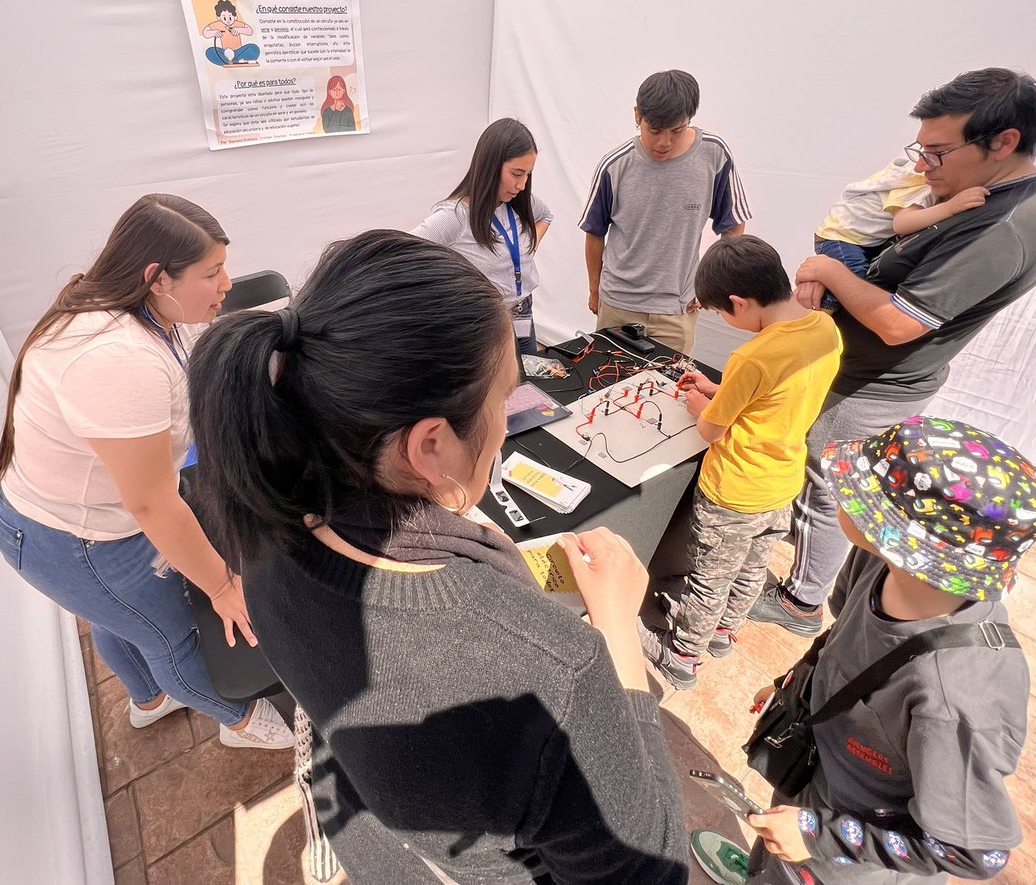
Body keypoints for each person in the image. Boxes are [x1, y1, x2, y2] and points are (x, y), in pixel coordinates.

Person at [186, 230, 690, 883]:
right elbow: (651, 869)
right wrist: (617, 626)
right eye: (503, 399)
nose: (507, 422)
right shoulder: (556, 673)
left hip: (372, 843)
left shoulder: (259, 522)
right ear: (429, 447)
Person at [750, 67, 1036, 637]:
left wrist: (826, 268)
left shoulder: (1009, 228)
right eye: (920, 151)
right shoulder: (990, 197)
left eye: (939, 153)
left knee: (828, 490)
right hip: (871, 370)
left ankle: (802, 603)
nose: (924, 167)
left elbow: (899, 323)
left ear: (1004, 142)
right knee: (848, 491)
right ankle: (833, 592)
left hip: (874, 378)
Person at [0, 194, 294, 750]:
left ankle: (149, 700)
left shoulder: (143, 309)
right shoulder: (117, 362)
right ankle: (243, 724)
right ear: (157, 278)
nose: (227, 285)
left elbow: (206, 364)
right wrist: (222, 584)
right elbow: (153, 504)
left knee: (117, 614)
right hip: (74, 539)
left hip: (53, 519)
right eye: (213, 272)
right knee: (174, 637)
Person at [695, 416, 1036, 883]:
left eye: (864, 493)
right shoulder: (879, 560)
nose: (841, 489)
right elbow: (846, 632)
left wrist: (818, 834)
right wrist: (800, 682)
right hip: (815, 776)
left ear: (909, 543)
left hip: (852, 856)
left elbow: (976, 854)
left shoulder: (955, 697)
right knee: (773, 856)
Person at [637, 236, 841, 690]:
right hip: (783, 481)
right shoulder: (825, 330)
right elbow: (773, 400)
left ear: (739, 303)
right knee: (752, 566)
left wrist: (699, 404)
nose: (726, 323)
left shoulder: (752, 356)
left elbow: (713, 430)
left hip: (735, 488)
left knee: (710, 577)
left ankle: (682, 656)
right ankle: (725, 634)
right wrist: (717, 389)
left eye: (721, 314)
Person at [580, 70, 750, 354]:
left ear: (689, 120)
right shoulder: (615, 165)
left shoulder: (714, 155)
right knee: (608, 389)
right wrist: (595, 291)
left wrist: (710, 283)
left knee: (669, 393)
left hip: (677, 311)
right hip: (618, 306)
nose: (664, 142)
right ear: (638, 116)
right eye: (655, 130)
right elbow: (594, 233)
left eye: (676, 130)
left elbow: (733, 227)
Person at [411, 118, 553, 354]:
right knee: (493, 389)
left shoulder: (519, 202)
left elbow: (546, 215)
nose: (522, 184)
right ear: (490, 165)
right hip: (484, 324)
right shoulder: (456, 215)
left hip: (523, 313)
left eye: (528, 174)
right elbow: (404, 251)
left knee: (530, 383)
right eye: (517, 173)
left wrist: (526, 250)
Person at [810, 157, 989, 287]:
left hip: (850, 236)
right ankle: (826, 310)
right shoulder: (921, 186)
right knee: (854, 281)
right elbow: (903, 224)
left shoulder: (914, 178)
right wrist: (951, 207)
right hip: (841, 237)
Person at [202, 0, 260, 67]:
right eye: (224, 18)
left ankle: (234, 61)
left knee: (254, 48)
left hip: (239, 52)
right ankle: (234, 61)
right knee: (210, 52)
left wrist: (240, 30)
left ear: (235, 17)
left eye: (230, 17)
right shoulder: (218, 24)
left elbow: (250, 31)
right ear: (219, 18)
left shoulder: (237, 24)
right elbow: (205, 32)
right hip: (225, 53)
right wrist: (214, 32)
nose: (228, 20)